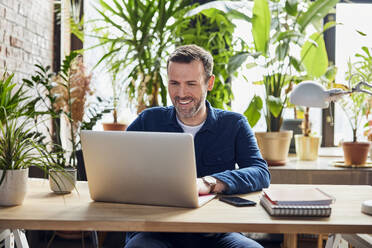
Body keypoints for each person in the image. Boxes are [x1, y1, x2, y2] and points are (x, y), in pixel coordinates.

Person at [125, 44, 270, 248]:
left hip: (217, 234)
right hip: (156, 233)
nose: (181, 93)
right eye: (174, 83)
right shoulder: (148, 120)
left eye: (191, 84)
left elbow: (260, 172)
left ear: (209, 83)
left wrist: (210, 182)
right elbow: (120, 165)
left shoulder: (234, 124)